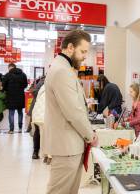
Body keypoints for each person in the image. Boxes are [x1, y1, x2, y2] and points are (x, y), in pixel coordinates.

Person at [44, 30, 98, 194]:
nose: (84, 56)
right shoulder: (62, 71)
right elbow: (73, 112)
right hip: (66, 147)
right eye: (82, 51)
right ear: (69, 47)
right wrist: (91, 135)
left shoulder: (62, 68)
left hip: (69, 145)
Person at [2, 63, 28, 134]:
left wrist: (7, 89)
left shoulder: (7, 75)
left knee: (11, 113)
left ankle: (11, 130)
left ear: (10, 67)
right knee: (20, 113)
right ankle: (20, 128)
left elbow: (3, 86)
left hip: (10, 97)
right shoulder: (23, 74)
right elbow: (26, 85)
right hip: (20, 96)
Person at [27, 76, 45, 159]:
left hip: (37, 109)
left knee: (37, 130)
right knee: (39, 130)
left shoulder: (41, 81)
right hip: (41, 108)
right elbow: (34, 92)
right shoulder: (43, 82)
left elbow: (34, 92)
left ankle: (36, 152)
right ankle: (36, 151)